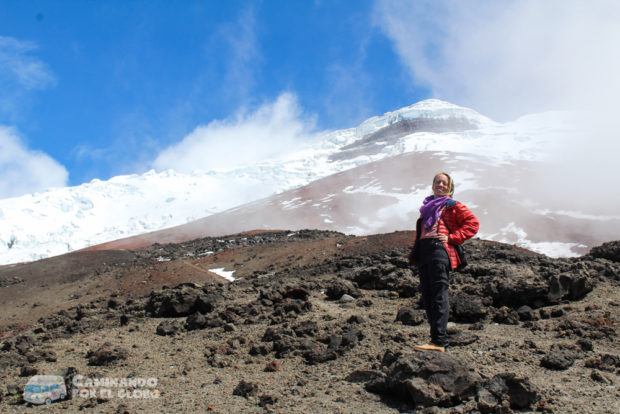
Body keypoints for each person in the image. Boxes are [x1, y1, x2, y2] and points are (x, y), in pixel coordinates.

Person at [408, 172, 479, 352]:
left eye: (444, 183)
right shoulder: (427, 207)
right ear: (432, 185)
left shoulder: (452, 205)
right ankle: (434, 340)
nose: (440, 185)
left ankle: (439, 340)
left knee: (439, 294)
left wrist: (452, 237)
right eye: (437, 182)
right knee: (428, 295)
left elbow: (473, 223)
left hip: (439, 251)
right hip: (425, 252)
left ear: (450, 188)